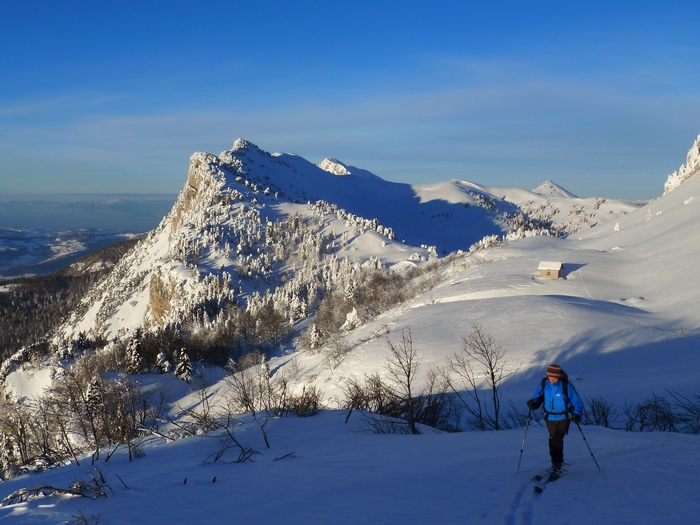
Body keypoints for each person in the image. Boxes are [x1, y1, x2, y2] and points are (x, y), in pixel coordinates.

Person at [526, 364, 584, 480]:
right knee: (553, 440)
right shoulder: (544, 383)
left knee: (556, 440)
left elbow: (578, 402)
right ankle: (556, 463)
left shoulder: (566, 385)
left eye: (554, 378)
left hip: (564, 417)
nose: (552, 380)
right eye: (550, 377)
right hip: (549, 418)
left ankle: (557, 465)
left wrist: (577, 415)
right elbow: (537, 397)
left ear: (559, 376)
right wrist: (533, 404)